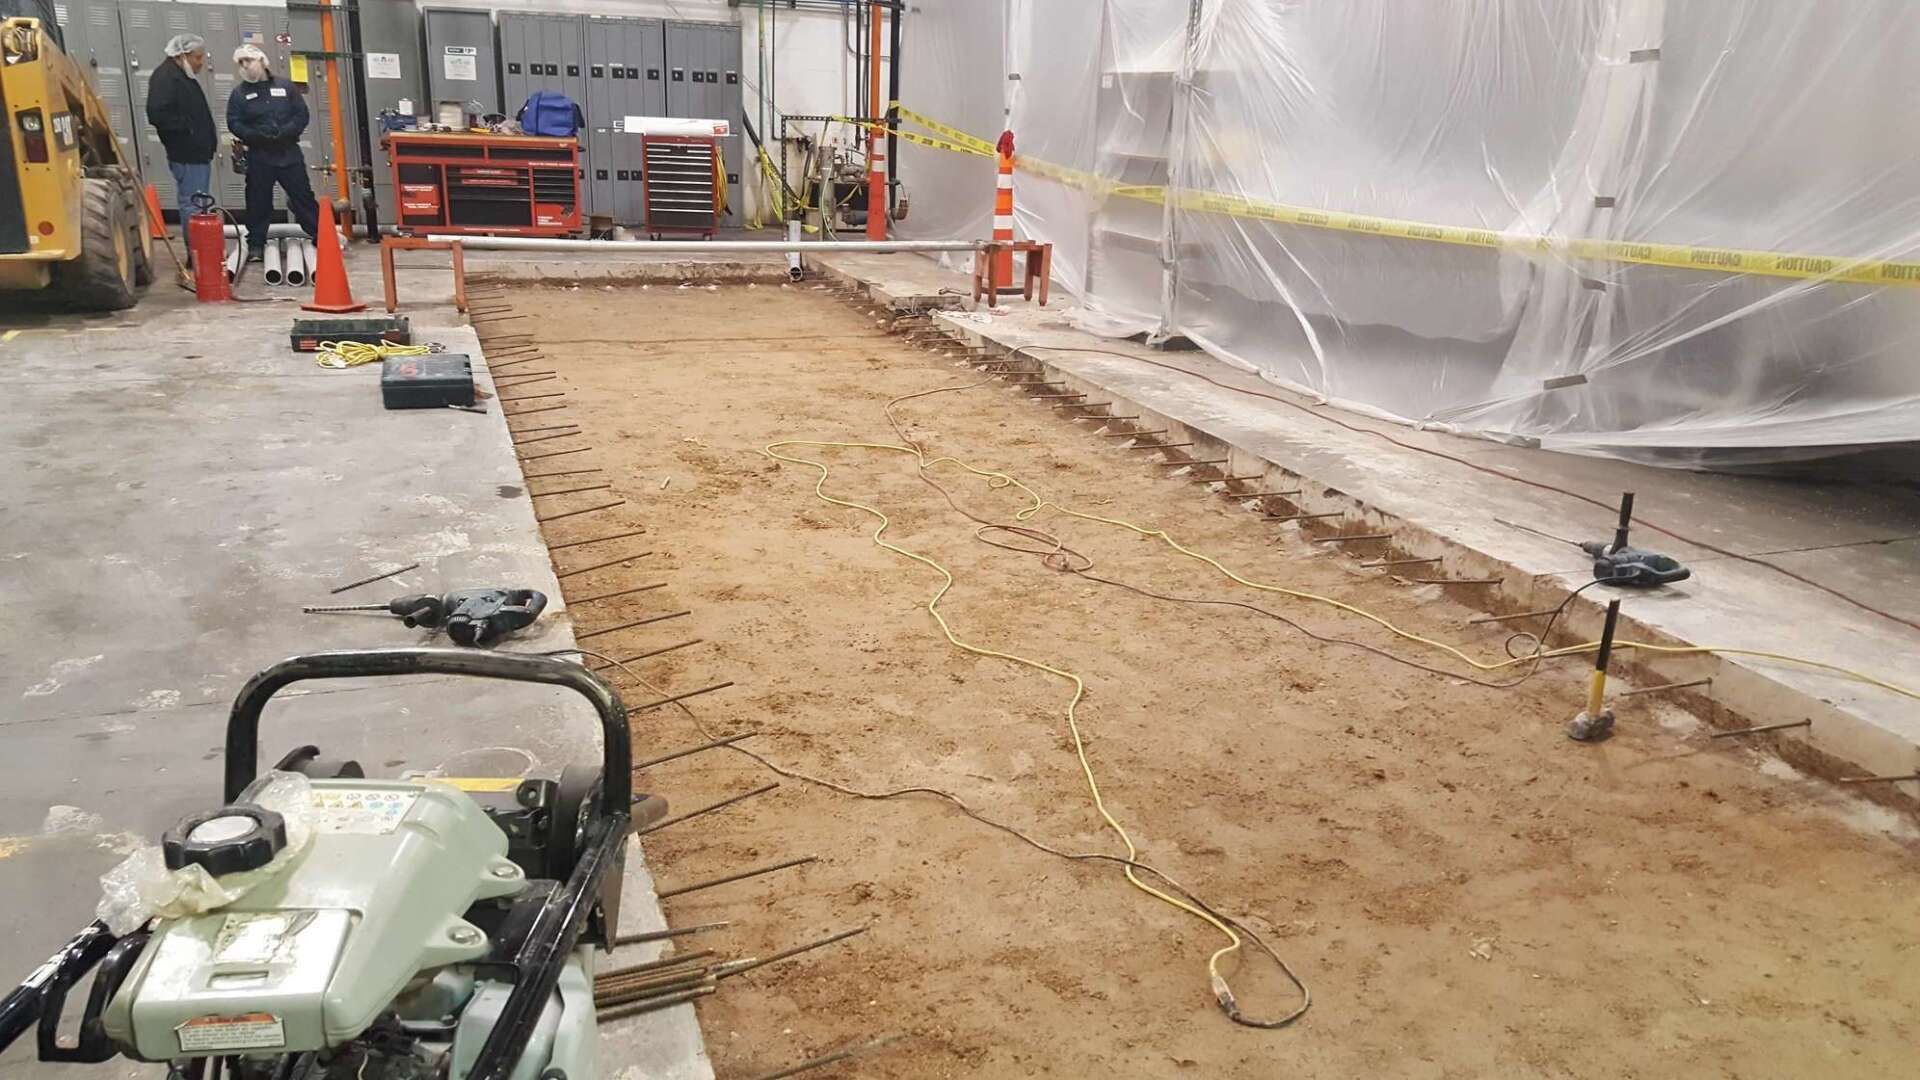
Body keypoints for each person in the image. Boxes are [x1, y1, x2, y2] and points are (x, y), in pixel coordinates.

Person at [225, 44, 318, 262]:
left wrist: (286, 132)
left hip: (289, 154)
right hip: (260, 156)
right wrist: (255, 136)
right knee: (258, 201)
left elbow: (301, 114)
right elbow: (234, 122)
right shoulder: (239, 94)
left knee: (302, 197)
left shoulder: (286, 87)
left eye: (248, 61)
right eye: (241, 63)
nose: (245, 66)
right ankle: (256, 243)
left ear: (262, 61)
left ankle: (319, 235)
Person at [143, 34, 215, 260]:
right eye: (197, 57)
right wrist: (190, 130)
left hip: (196, 152)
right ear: (182, 54)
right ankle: (197, 255)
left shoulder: (181, 75)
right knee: (193, 204)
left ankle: (199, 252)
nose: (200, 62)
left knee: (197, 202)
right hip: (187, 152)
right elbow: (157, 113)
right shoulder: (165, 78)